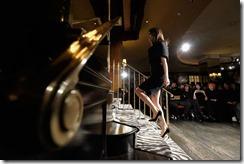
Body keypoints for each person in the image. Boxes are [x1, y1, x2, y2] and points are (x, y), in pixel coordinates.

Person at [135, 27, 170, 138]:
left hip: (159, 76)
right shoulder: (152, 48)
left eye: (150, 34)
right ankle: (164, 127)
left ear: (156, 35)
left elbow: (164, 62)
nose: (148, 37)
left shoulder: (161, 45)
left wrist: (167, 77)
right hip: (154, 75)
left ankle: (155, 112)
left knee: (138, 90)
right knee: (155, 101)